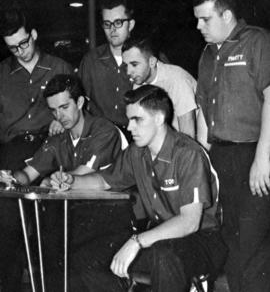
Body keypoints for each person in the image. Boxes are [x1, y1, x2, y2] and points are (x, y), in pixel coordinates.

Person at [51, 85, 227, 292]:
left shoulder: (188, 154)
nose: (130, 127)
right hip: (159, 238)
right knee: (88, 257)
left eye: (137, 120)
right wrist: (71, 181)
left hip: (202, 241)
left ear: (159, 119)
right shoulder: (137, 152)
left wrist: (136, 241)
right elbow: (104, 181)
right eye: (129, 119)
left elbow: (189, 222)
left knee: (165, 254)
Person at [13, 74, 132, 292]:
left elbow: (80, 176)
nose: (59, 115)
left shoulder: (103, 130)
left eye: (64, 107)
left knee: (68, 251)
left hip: (117, 217)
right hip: (77, 215)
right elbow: (27, 175)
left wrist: (51, 180)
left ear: (79, 102)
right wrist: (9, 178)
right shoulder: (59, 138)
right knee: (42, 244)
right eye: (53, 110)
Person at [193, 0, 270, 291]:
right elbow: (203, 108)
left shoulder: (257, 42)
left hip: (253, 153)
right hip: (221, 157)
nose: (198, 25)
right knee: (231, 242)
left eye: (205, 18)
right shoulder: (208, 54)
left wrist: (263, 160)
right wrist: (202, 160)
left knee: (253, 243)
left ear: (226, 16)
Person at [0, 3, 72, 292]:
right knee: (6, 229)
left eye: (24, 43)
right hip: (11, 152)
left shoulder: (59, 67)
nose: (20, 51)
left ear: (34, 34)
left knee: (50, 228)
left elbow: (76, 112)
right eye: (13, 48)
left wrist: (62, 123)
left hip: (50, 150)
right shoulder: (1, 74)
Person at [78, 0, 135, 141]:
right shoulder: (91, 61)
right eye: (107, 24)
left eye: (118, 22)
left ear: (131, 24)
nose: (112, 29)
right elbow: (80, 102)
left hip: (136, 137)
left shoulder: (148, 59)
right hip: (100, 137)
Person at [122, 34, 197, 138]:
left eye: (134, 64)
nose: (128, 72)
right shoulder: (138, 84)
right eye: (126, 65)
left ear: (152, 62)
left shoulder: (177, 79)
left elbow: (188, 131)